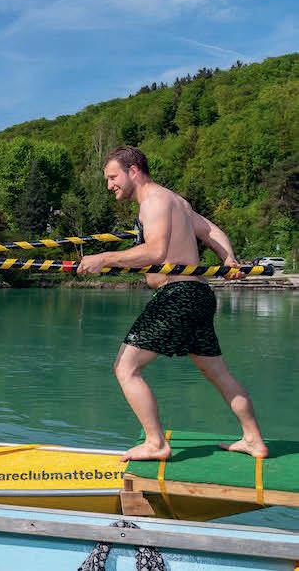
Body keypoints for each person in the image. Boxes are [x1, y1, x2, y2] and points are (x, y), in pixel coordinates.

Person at [77, 146, 268, 462]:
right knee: (217, 372)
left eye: (112, 177)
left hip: (177, 296)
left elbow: (155, 251)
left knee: (126, 368)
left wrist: (104, 258)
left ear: (133, 171)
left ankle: (155, 444)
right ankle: (253, 440)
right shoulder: (176, 201)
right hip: (198, 295)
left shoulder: (153, 201)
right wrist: (228, 258)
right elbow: (210, 230)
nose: (110, 185)